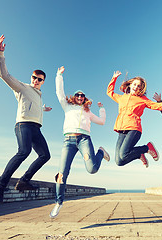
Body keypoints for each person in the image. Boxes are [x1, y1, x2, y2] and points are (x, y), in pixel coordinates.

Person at [0, 35, 52, 204]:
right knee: (24, 151)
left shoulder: (39, 96)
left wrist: (43, 109)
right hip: (23, 125)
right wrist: (0, 54)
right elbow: (4, 75)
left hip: (36, 128)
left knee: (45, 155)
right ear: (31, 77)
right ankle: (0, 186)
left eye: (39, 79)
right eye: (34, 77)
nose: (36, 81)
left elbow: (34, 108)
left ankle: (24, 180)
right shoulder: (23, 87)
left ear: (43, 82)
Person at [50, 66, 109, 218]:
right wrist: (59, 75)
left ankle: (101, 152)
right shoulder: (67, 106)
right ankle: (58, 203)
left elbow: (102, 122)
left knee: (92, 169)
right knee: (62, 173)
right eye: (78, 95)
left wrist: (102, 109)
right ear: (74, 97)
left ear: (84, 99)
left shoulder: (88, 112)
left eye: (82, 96)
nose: (80, 97)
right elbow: (59, 92)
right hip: (68, 141)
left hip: (84, 140)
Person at [107, 71, 162, 168]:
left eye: (139, 86)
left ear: (141, 89)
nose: (136, 87)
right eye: (135, 84)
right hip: (121, 130)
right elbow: (109, 92)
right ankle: (139, 154)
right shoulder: (121, 97)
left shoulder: (143, 99)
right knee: (119, 161)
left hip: (134, 129)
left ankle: (147, 148)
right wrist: (114, 78)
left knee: (123, 154)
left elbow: (160, 106)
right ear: (130, 84)